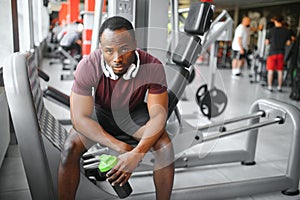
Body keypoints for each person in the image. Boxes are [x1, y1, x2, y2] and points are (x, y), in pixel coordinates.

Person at [58, 16, 175, 200]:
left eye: (124, 49)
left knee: (165, 149)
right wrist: (121, 147)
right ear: (100, 48)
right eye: (109, 51)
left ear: (135, 44)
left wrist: (137, 153)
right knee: (69, 150)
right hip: (100, 115)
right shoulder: (88, 66)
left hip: (133, 115)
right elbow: (79, 119)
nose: (117, 58)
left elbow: (158, 117)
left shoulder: (152, 66)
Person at [265, 15, 291, 92]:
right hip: (281, 53)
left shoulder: (271, 30)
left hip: (272, 53)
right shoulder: (287, 31)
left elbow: (266, 42)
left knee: (270, 71)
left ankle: (270, 87)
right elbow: (288, 43)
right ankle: (279, 87)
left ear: (275, 21)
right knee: (280, 71)